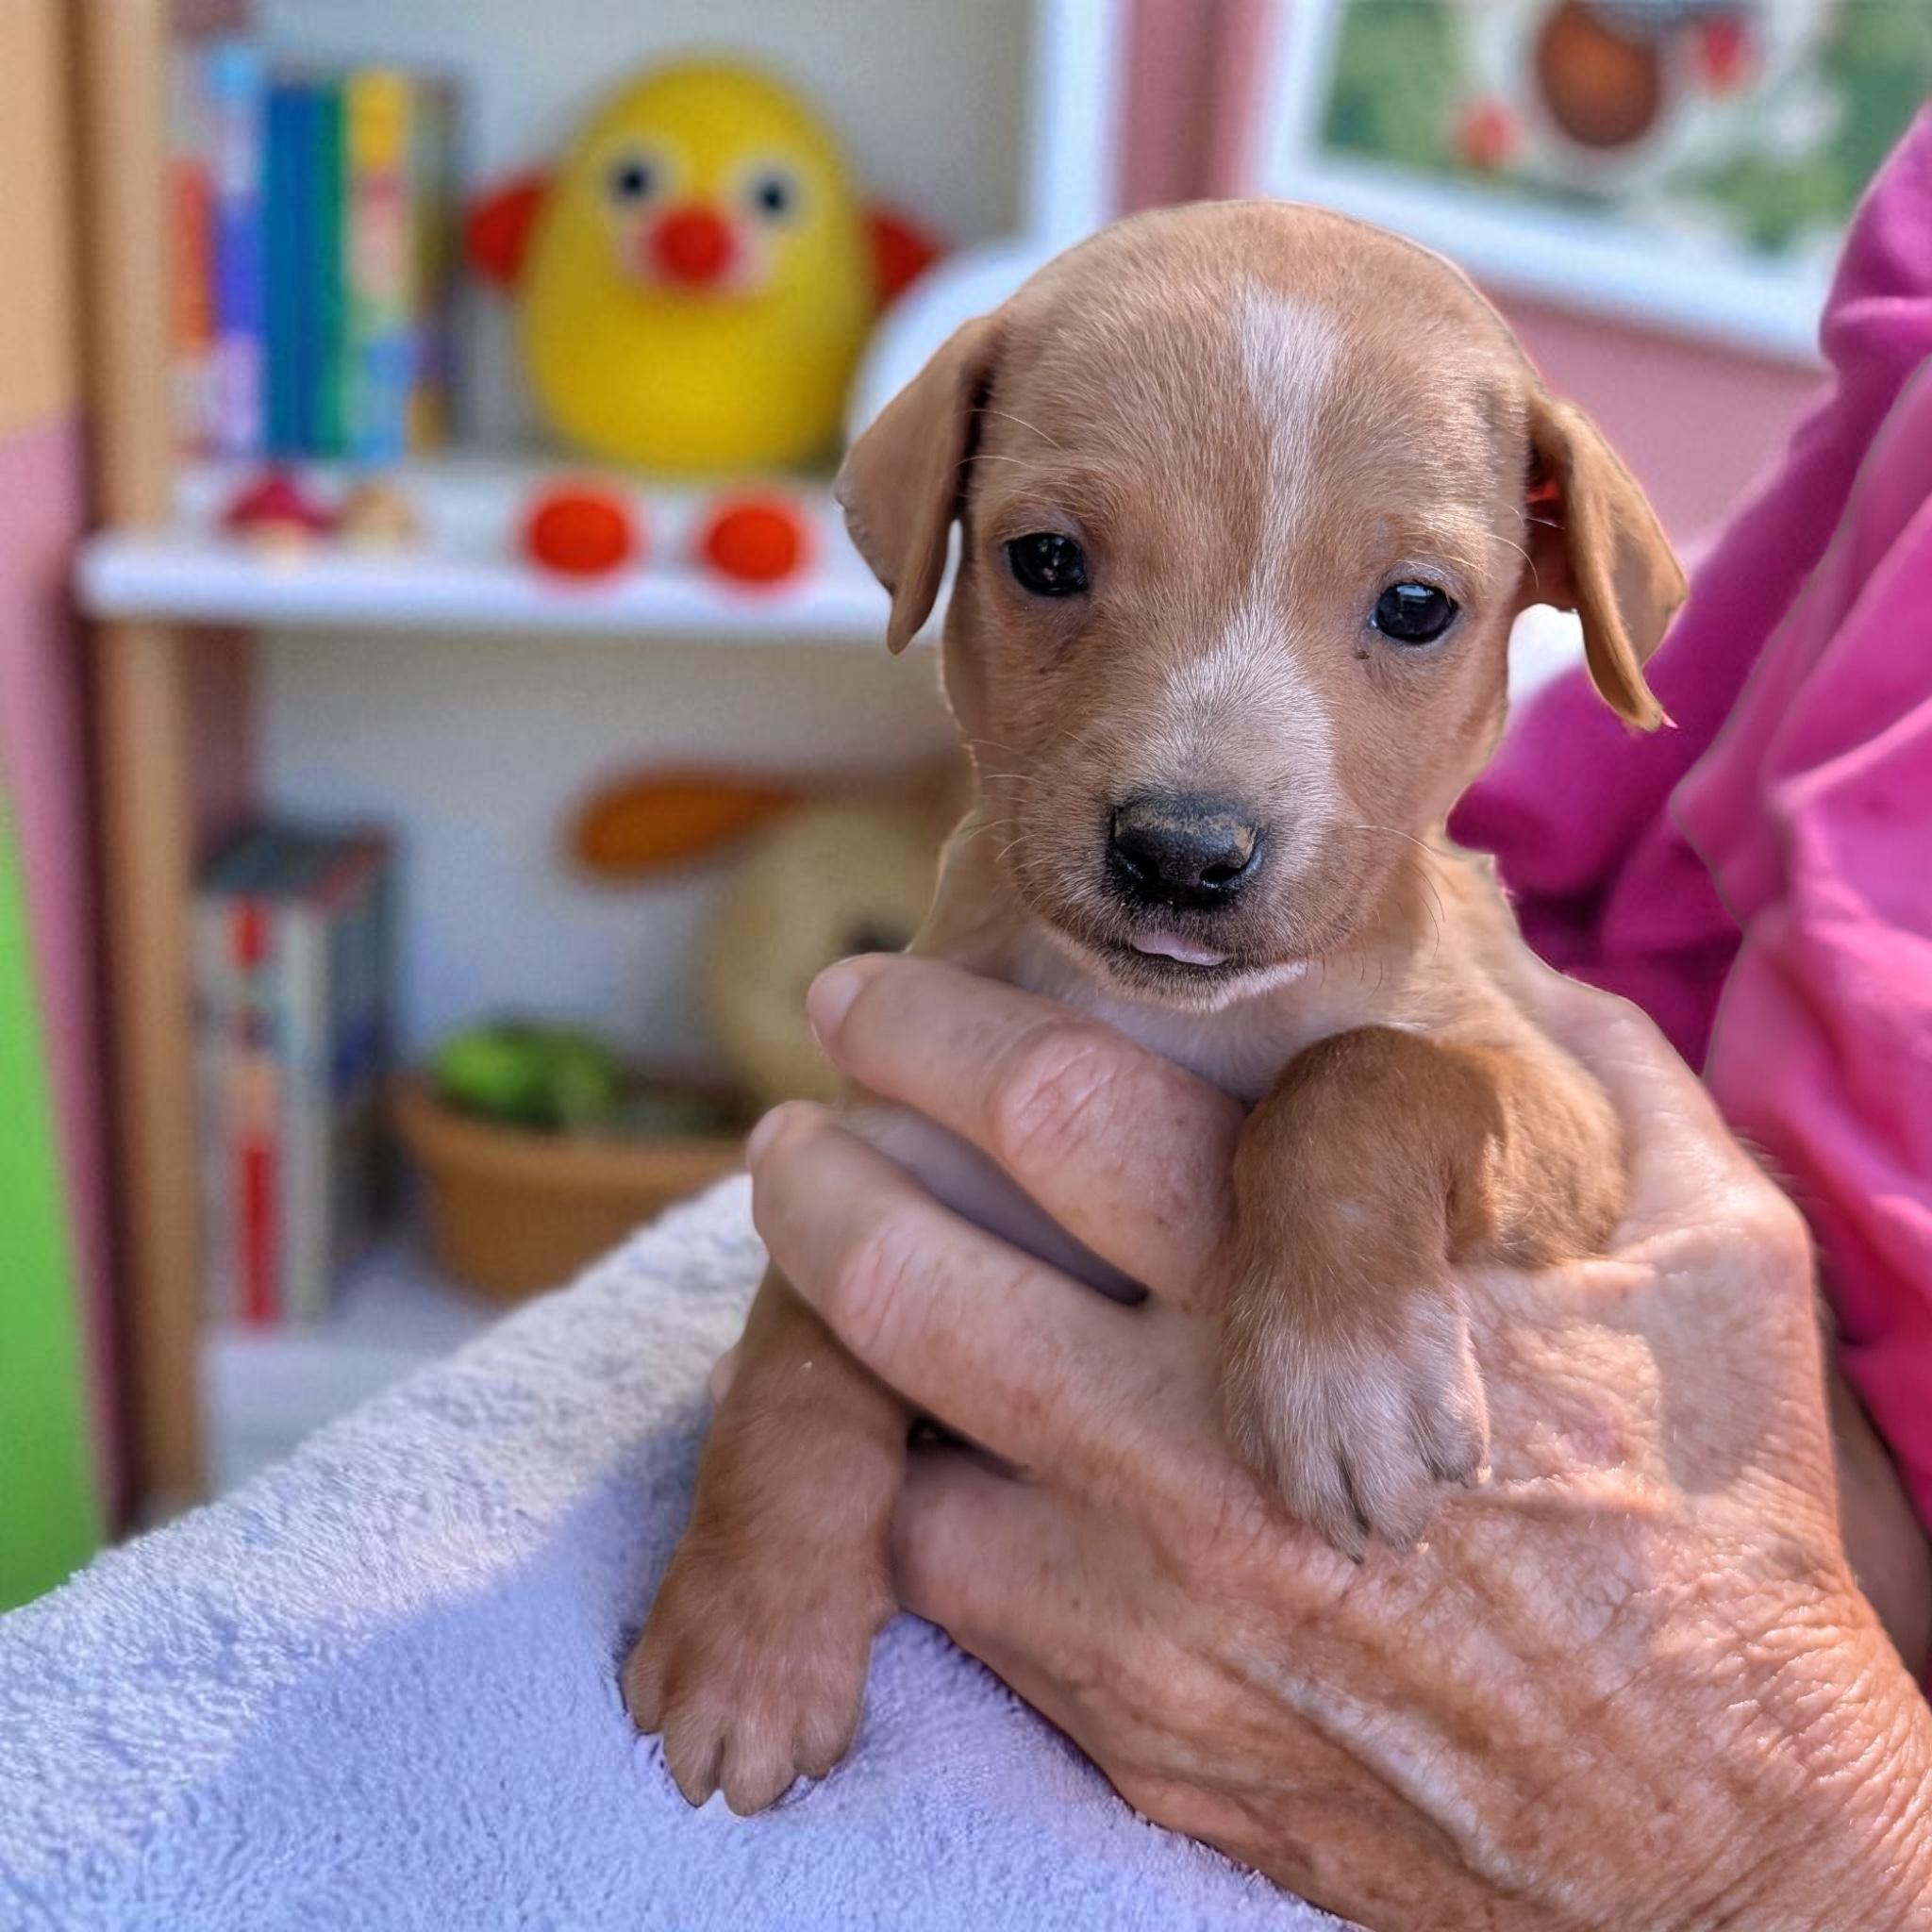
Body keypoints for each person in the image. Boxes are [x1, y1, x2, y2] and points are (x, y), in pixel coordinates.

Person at [736, 112, 1932, 1927]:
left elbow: (1567, 1150)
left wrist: (1358, 1161)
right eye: (1056, 565)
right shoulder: (978, 949)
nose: (1192, 795)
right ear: (945, 531)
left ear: (1546, 578)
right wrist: (783, 1480)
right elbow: (888, 1231)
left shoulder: (1423, 967)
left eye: (1405, 608)